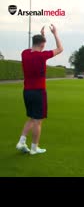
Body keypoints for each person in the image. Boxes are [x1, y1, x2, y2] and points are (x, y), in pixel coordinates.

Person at [16, 24, 64, 155]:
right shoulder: (42, 56)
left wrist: (42, 36)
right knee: (38, 121)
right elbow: (60, 48)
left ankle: (21, 141)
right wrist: (55, 34)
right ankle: (34, 148)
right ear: (42, 45)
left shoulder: (24, 53)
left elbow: (36, 48)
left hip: (27, 92)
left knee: (31, 118)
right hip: (38, 92)